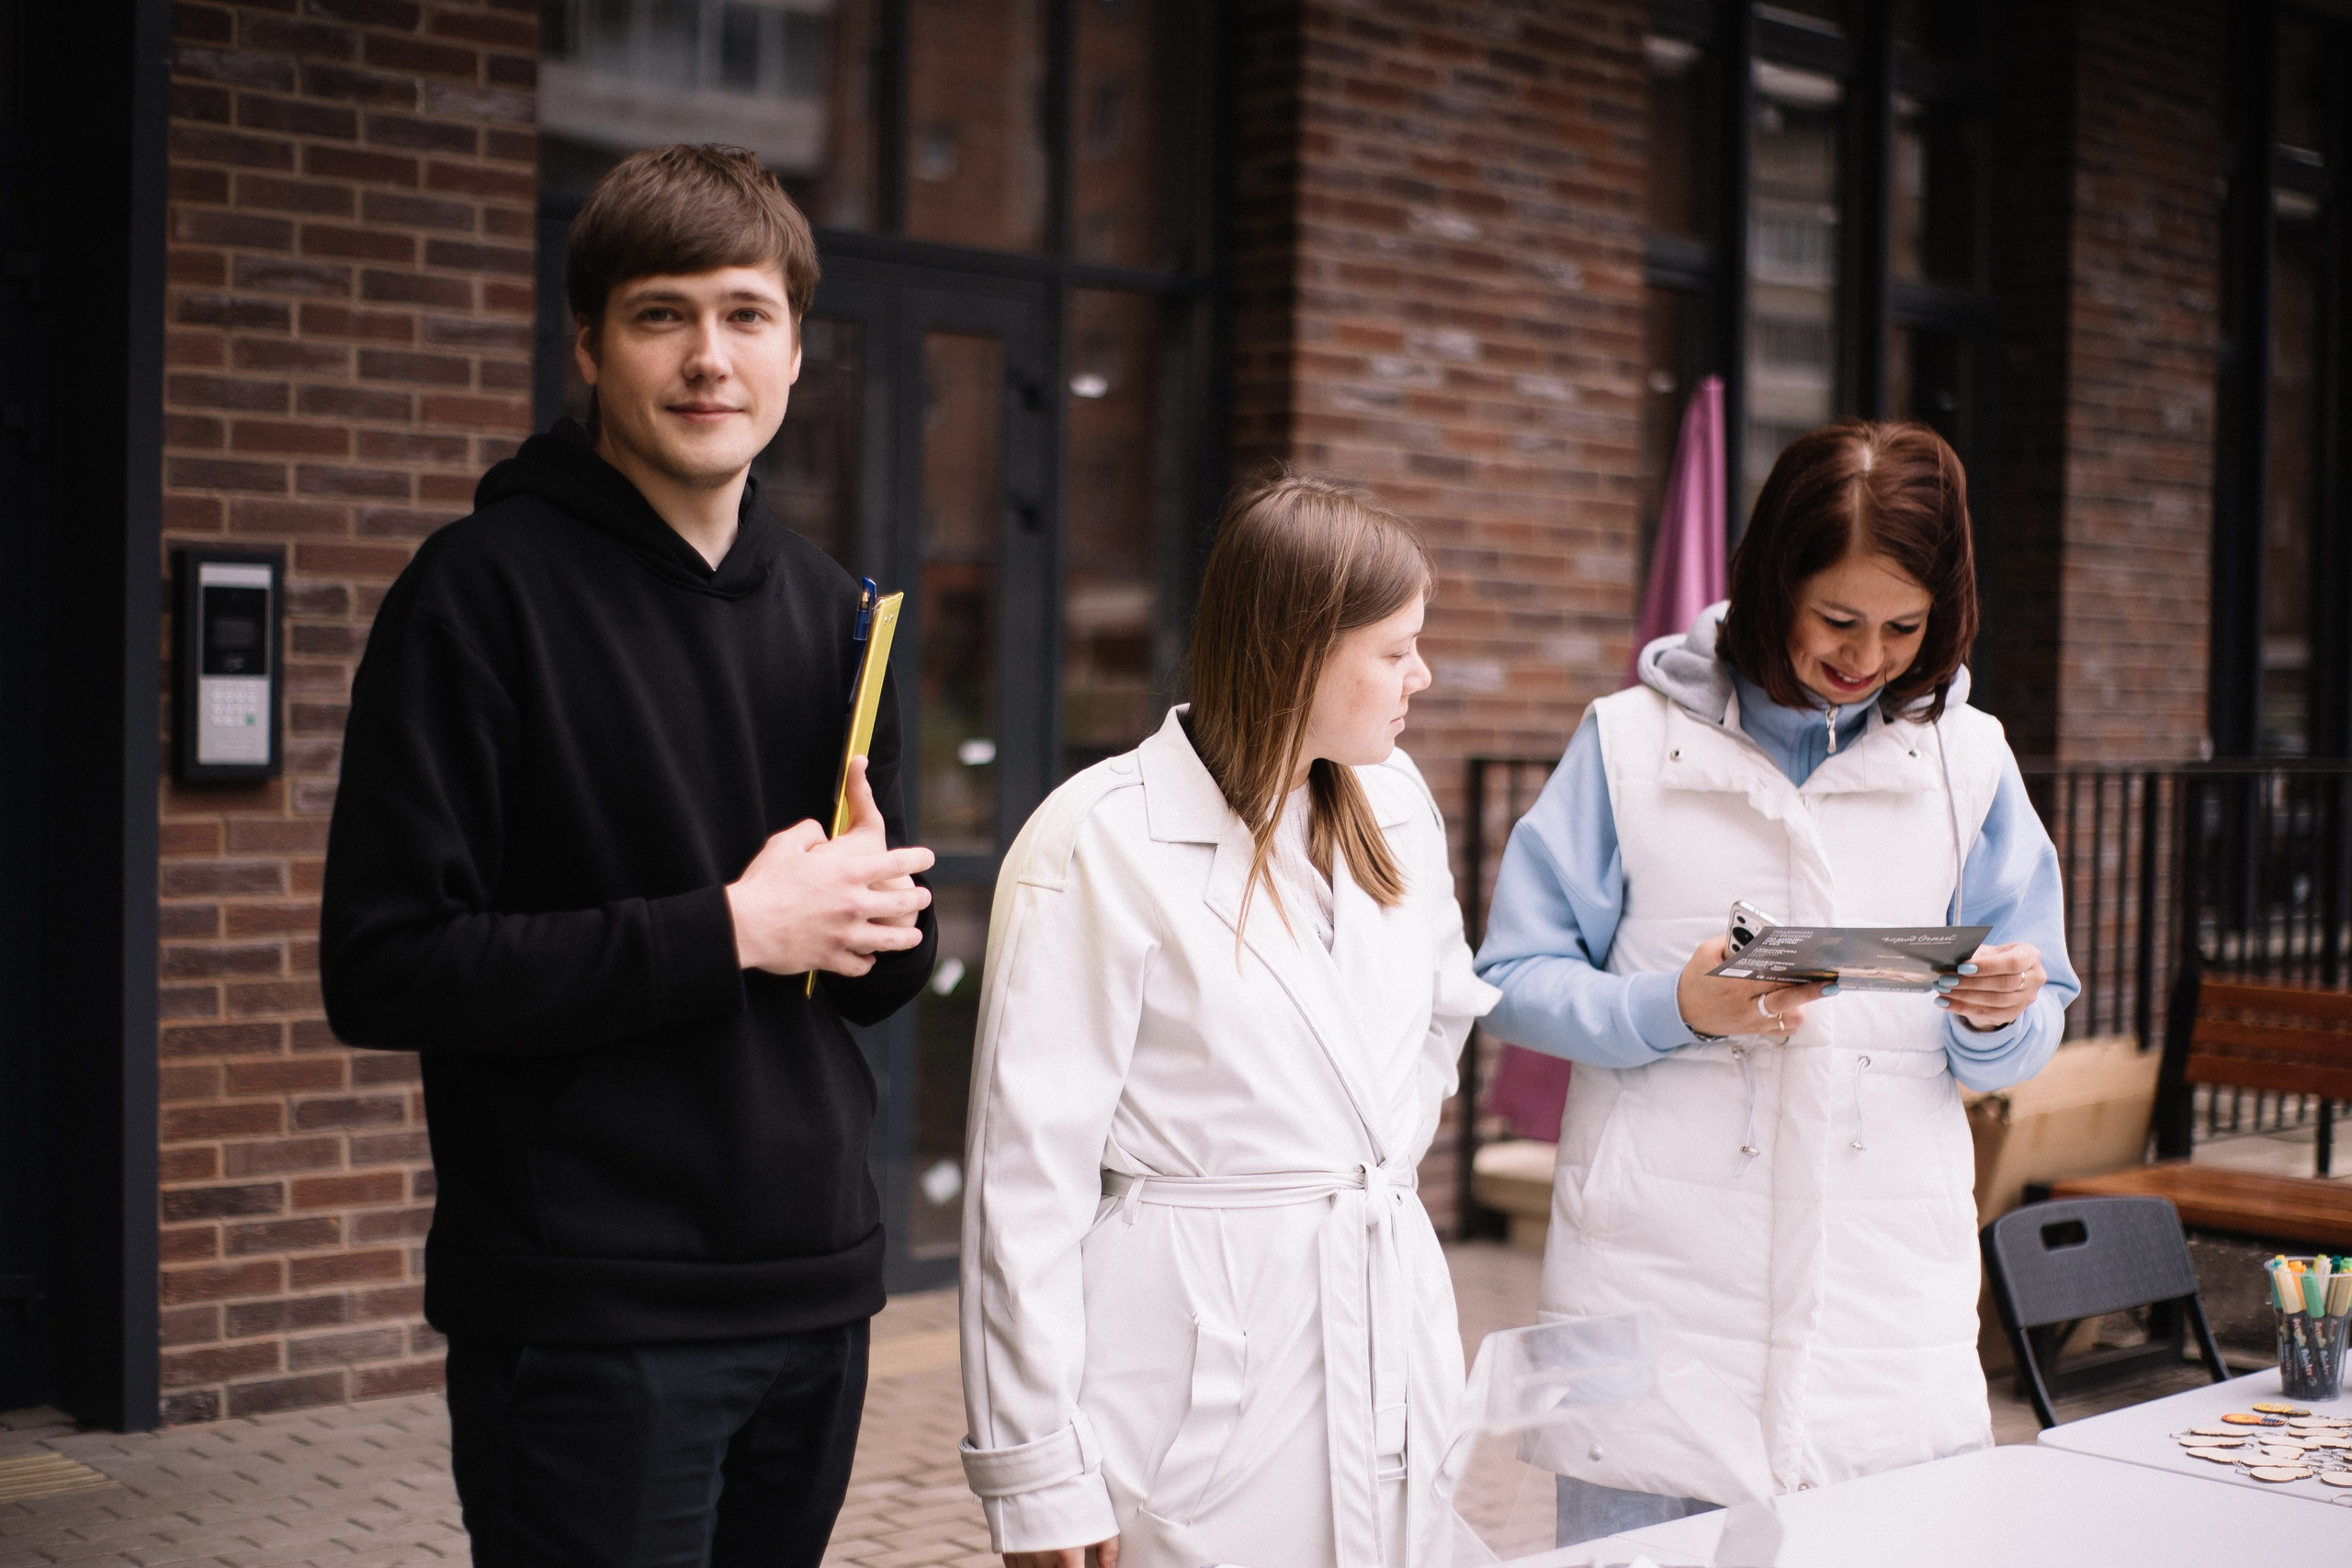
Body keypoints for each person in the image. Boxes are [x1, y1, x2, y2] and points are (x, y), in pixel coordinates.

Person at [319, 144, 938, 1568]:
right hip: (593, 1317)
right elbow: (388, 965)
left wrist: (879, 921)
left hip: (817, 1292)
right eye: (663, 314)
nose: (709, 357)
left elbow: (861, 983)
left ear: (796, 346)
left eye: (746, 314)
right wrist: (731, 927)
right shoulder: (478, 596)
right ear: (589, 343)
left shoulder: (840, 610)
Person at [1474, 421, 2079, 1543]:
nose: (1868, 655)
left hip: (1879, 1301)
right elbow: (1508, 979)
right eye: (1836, 619)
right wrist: (1674, 1008)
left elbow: (2036, 1008)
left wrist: (2002, 1016)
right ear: (1767, 584)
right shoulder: (1624, 743)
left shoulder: (1972, 764)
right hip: (1656, 1282)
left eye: (1905, 627)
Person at [956, 475, 1498, 1568]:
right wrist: (1039, 1476)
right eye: (1394, 651)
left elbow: (1436, 1020)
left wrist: (1356, 1157)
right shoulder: (1099, 840)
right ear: (1300, 649)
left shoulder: (1393, 805)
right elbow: (1025, 1181)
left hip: (1382, 1320)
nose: (1420, 677)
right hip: (1189, 1363)